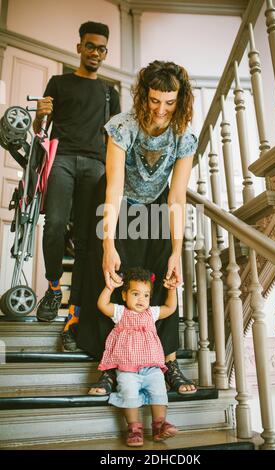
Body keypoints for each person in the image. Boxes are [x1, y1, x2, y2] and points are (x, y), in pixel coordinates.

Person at [76, 60, 198, 396]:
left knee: (166, 274)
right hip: (120, 202)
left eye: (170, 102)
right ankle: (110, 365)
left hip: (157, 203)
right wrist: (108, 244)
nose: (161, 110)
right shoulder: (122, 126)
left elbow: (176, 196)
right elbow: (113, 187)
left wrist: (175, 251)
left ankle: (168, 360)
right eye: (155, 100)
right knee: (115, 276)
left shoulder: (184, 135)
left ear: (180, 100)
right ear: (143, 95)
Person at [32, 21, 120, 352]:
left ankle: (74, 316)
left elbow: (116, 138)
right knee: (54, 224)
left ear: (104, 52)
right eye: (90, 45)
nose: (95, 52)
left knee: (86, 242)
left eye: (101, 48)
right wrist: (40, 116)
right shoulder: (59, 81)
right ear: (79, 47)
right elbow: (41, 128)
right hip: (64, 158)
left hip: (96, 166)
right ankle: (54, 289)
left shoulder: (111, 92)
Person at [98, 267, 178, 447]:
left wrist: (171, 289)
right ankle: (134, 429)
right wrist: (109, 288)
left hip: (152, 368)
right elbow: (103, 305)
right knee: (129, 394)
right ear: (125, 295)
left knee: (159, 392)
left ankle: (159, 425)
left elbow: (170, 307)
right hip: (127, 369)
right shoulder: (120, 313)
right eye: (135, 294)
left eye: (146, 295)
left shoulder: (152, 313)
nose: (141, 299)